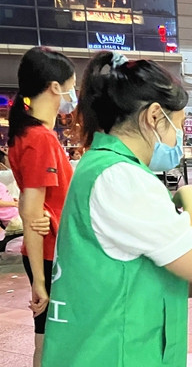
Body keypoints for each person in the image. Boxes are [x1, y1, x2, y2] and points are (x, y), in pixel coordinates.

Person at [41, 51, 192, 367]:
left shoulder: (101, 165)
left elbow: (126, 272)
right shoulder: (122, 178)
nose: (178, 137)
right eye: (178, 125)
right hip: (114, 354)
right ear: (154, 116)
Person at [7, 47, 76, 367]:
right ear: (54, 87)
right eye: (71, 86)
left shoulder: (29, 133)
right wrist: (38, 281)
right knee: (51, 342)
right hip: (50, 255)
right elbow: (32, 214)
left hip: (47, 252)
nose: (72, 96)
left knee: (49, 338)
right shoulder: (40, 139)